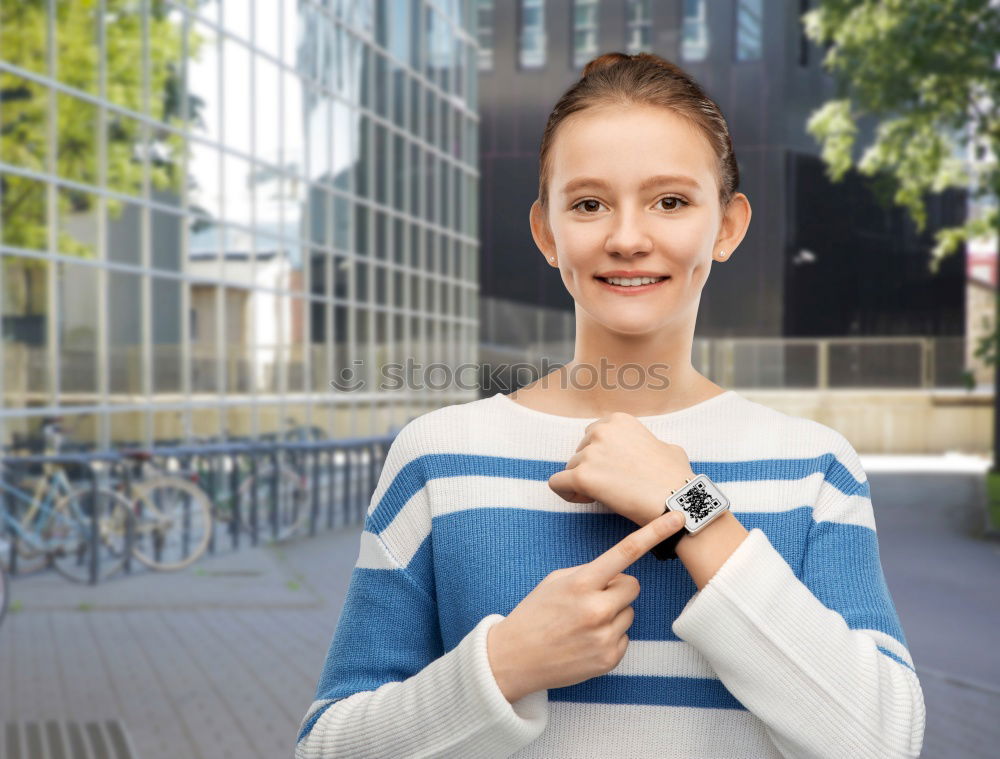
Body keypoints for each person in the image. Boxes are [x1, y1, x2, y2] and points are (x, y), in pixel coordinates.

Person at [295, 52, 925, 758]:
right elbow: (329, 744)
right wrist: (503, 666)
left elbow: (883, 738)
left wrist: (692, 510)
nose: (627, 238)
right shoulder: (436, 456)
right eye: (589, 203)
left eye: (671, 201)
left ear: (726, 226)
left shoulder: (814, 466)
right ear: (545, 231)